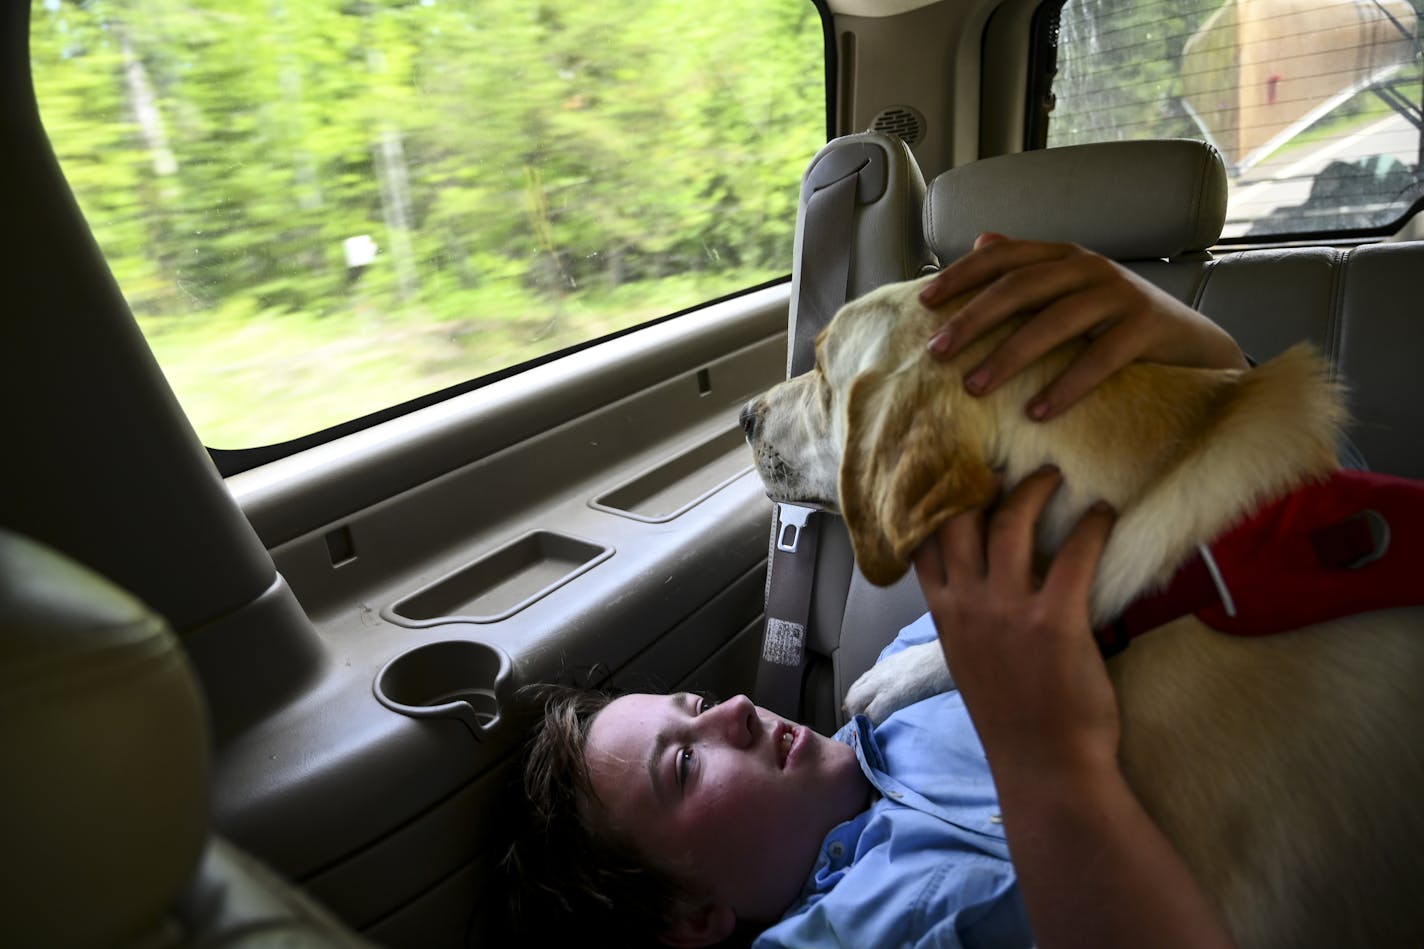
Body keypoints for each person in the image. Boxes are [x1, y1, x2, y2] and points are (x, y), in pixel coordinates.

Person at [502, 236, 1245, 949]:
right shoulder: (844, 931)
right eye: (685, 766)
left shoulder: (908, 662)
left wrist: (1211, 366)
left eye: (696, 707)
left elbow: (1276, 566)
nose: (733, 710)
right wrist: (1043, 765)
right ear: (693, 917)